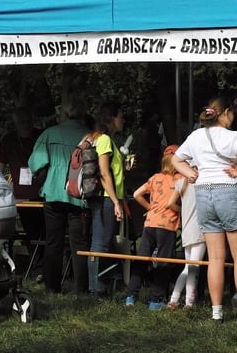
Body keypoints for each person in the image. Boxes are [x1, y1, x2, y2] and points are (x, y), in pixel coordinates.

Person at [171, 96, 237, 325]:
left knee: (214, 258)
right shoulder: (233, 137)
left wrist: (190, 173)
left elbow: (176, 159)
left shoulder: (195, 136)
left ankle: (216, 313)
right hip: (228, 192)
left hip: (203, 193)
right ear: (225, 113)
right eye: (232, 113)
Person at [28, 94, 91, 294]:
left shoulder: (49, 134)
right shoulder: (90, 136)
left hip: (53, 192)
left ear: (64, 112)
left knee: (53, 241)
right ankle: (81, 288)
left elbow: (36, 162)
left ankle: (52, 287)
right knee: (78, 243)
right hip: (79, 195)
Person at [125, 144, 181, 309]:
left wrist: (150, 207)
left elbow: (136, 194)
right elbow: (173, 205)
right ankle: (156, 300)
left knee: (142, 260)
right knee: (163, 262)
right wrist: (182, 211)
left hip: (150, 224)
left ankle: (130, 296)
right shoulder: (179, 180)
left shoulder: (155, 177)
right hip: (167, 226)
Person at [0, 107, 44, 281]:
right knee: (32, 231)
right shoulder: (9, 140)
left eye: (29, 121)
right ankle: (38, 268)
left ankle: (46, 266)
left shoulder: (41, 136)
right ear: (16, 123)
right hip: (22, 195)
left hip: (43, 192)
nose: (26, 125)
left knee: (45, 231)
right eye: (22, 122)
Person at [87, 101, 126, 296]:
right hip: (105, 198)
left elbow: (110, 170)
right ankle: (96, 288)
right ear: (111, 119)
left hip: (106, 197)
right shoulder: (104, 140)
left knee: (104, 241)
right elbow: (104, 173)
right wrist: (116, 202)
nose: (123, 120)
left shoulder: (102, 139)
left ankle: (102, 284)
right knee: (100, 243)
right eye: (120, 116)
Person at [166, 153, 206, 309]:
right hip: (200, 230)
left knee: (188, 266)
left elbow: (170, 203)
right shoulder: (203, 182)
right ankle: (188, 303)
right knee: (193, 267)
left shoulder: (181, 182)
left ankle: (175, 300)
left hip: (187, 229)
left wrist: (183, 211)